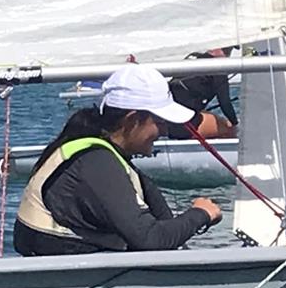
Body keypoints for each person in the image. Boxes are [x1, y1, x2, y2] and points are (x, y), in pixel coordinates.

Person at [14, 64, 222, 256]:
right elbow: (150, 239)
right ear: (132, 120)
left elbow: (162, 226)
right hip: (67, 279)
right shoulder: (96, 162)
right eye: (159, 121)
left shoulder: (104, 153)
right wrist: (201, 214)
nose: (165, 130)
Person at [167, 47, 238, 139]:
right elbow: (225, 103)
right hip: (183, 124)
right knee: (229, 128)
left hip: (165, 118)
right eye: (228, 51)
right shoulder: (219, 67)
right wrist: (235, 124)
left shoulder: (193, 56)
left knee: (208, 115)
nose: (227, 56)